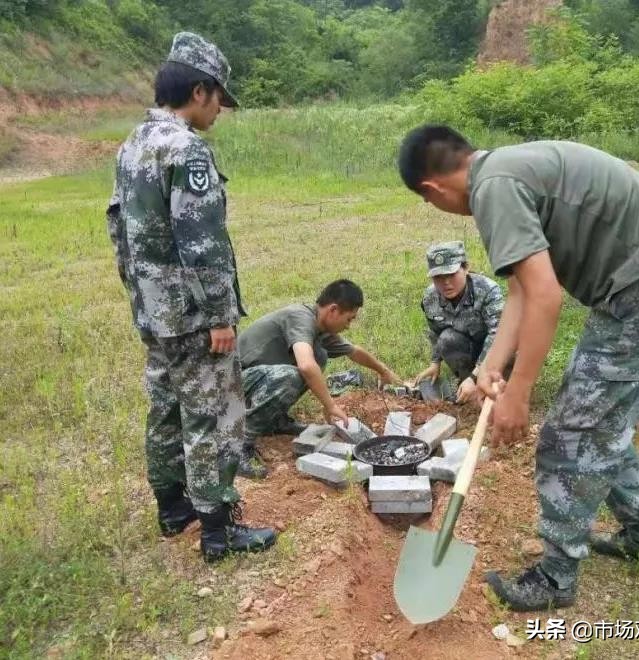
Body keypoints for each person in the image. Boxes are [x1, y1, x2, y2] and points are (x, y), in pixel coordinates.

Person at [398, 125, 639, 612]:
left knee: (567, 436)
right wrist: (491, 367)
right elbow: (521, 287)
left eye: (429, 203)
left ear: (431, 189)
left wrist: (518, 393)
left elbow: (545, 295)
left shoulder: (493, 187)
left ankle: (556, 579)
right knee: (601, 425)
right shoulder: (503, 170)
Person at [106, 32, 275, 561]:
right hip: (193, 316)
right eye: (219, 99)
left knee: (164, 408)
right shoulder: (186, 149)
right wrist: (221, 315)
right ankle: (219, 530)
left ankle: (172, 508)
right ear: (199, 91)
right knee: (214, 415)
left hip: (153, 312)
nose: (220, 110)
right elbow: (201, 243)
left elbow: (120, 231)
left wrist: (142, 297)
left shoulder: (133, 144)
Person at [238, 279, 403, 476]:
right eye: (349, 319)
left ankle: (273, 421)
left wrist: (383, 370)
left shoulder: (320, 328)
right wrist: (330, 405)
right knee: (294, 374)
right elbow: (306, 366)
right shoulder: (300, 317)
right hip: (230, 386)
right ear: (333, 310)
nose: (349, 326)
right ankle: (238, 445)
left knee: (319, 355)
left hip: (252, 384)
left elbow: (353, 351)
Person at [413, 240, 505, 404]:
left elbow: (499, 336)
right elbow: (436, 332)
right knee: (447, 339)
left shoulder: (489, 291)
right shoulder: (430, 298)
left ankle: (479, 382)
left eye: (451, 274)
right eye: (438, 277)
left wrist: (475, 375)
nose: (446, 283)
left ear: (466, 268)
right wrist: (435, 363)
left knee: (502, 391)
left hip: (500, 351)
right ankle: (468, 385)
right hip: (470, 347)